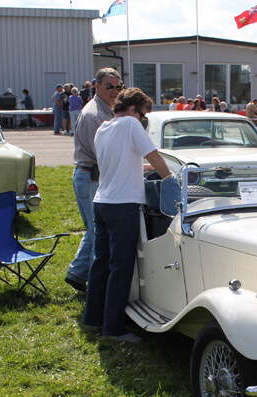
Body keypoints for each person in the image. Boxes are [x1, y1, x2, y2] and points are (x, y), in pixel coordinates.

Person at [83, 87, 171, 342]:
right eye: (143, 115)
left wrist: (142, 168)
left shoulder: (104, 128)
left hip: (102, 202)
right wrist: (170, 179)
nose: (143, 120)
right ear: (134, 109)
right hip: (124, 205)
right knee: (121, 267)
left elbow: (120, 162)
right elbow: (153, 156)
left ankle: (92, 317)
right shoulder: (131, 126)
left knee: (101, 263)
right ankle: (113, 328)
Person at [65, 67, 123, 293]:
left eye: (118, 87)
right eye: (110, 86)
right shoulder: (93, 115)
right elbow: (103, 154)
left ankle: (78, 274)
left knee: (94, 228)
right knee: (100, 232)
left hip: (95, 175)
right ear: (96, 86)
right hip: (91, 176)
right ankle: (96, 286)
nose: (115, 91)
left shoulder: (107, 109)